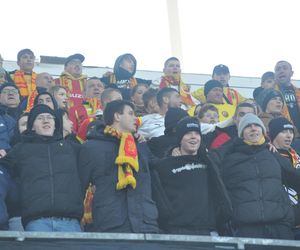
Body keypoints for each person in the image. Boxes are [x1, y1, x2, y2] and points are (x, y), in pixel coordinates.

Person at [210, 113, 300, 239]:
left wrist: (293, 214)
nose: (253, 128)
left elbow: (296, 178)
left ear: (263, 131)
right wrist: (233, 143)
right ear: (241, 134)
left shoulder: (272, 154)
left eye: (257, 125)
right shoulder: (229, 158)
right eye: (248, 127)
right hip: (245, 227)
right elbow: (210, 162)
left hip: (279, 227)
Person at [78, 100, 158, 233]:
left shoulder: (141, 146)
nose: (135, 118)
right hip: (109, 225)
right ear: (117, 116)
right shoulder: (91, 147)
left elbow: (154, 182)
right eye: (131, 114)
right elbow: (80, 187)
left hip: (145, 225)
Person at [0, 104, 83, 232]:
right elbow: (3, 173)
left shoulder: (72, 148)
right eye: (40, 118)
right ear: (32, 126)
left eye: (50, 117)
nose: (46, 120)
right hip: (36, 222)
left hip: (70, 221)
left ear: (55, 124)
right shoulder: (20, 149)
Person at [152, 117, 231, 235]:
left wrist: (266, 142)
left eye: (196, 133)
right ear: (179, 139)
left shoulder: (208, 162)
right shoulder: (164, 165)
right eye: (188, 133)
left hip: (208, 230)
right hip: (176, 232)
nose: (193, 136)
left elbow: (232, 145)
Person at [269, 117, 300, 239]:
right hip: (282, 221)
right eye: (283, 132)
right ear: (274, 134)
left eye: (291, 132)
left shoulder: (296, 156)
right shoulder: (267, 154)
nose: (289, 136)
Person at [274, 60, 300, 136]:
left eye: (284, 68)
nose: (281, 71)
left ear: (291, 73)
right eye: (278, 69)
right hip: (283, 135)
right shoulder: (270, 94)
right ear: (275, 75)